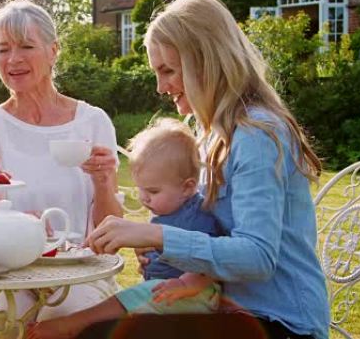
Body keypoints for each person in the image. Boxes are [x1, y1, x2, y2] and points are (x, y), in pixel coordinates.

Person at [83, 0, 330, 339]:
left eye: (168, 70)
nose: (160, 86)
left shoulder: (256, 133)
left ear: (207, 62)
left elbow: (258, 257)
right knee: (100, 329)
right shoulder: (210, 135)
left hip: (281, 322)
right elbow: (207, 231)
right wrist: (165, 252)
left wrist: (156, 234)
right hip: (223, 308)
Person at [0, 0, 122, 330]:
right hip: (3, 273)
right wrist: (12, 229)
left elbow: (110, 232)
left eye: (26, 46)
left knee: (64, 316)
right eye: (3, 49)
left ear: (53, 51)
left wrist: (104, 182)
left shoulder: (92, 123)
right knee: (2, 322)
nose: (14, 59)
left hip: (78, 273)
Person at [27, 117, 222, 339]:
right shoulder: (170, 211)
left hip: (197, 293)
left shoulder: (197, 216)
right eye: (141, 190)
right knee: (135, 300)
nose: (144, 199)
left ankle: (74, 323)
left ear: (188, 187)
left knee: (130, 297)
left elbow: (210, 262)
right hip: (170, 291)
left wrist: (184, 283)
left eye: (153, 192)